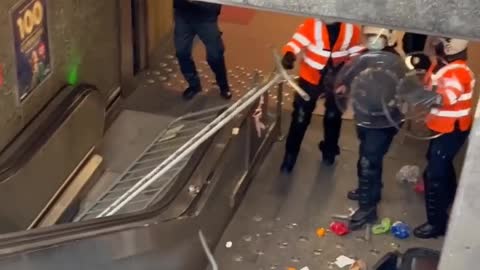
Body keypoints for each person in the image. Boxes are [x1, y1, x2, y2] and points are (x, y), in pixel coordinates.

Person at [336, 26, 405, 230]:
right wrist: (343, 85)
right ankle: (371, 190)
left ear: (388, 38)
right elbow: (351, 73)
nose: (372, 40)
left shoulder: (396, 63)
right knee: (367, 158)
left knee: (368, 162)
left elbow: (409, 90)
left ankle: (367, 209)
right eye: (369, 36)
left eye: (377, 36)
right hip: (365, 117)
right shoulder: (365, 56)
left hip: (383, 122)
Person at [279, 18, 365, 173]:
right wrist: (289, 54)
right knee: (300, 117)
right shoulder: (311, 24)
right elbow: (296, 42)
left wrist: (356, 65)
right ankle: (289, 157)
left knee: (333, 116)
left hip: (338, 79)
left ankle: (329, 152)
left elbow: (355, 51)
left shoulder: (352, 28)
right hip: (311, 77)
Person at [413, 38, 474, 239]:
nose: (435, 44)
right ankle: (450, 197)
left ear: (450, 47)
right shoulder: (441, 65)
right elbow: (430, 86)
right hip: (442, 126)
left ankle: (436, 224)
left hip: (452, 129)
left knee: (435, 175)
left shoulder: (458, 72)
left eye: (440, 42)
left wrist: (417, 95)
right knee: (440, 163)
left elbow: (446, 98)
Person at [173, 0, 232, 100]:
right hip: (183, 14)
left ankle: (223, 85)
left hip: (206, 15)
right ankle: (194, 85)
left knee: (215, 55)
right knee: (182, 52)